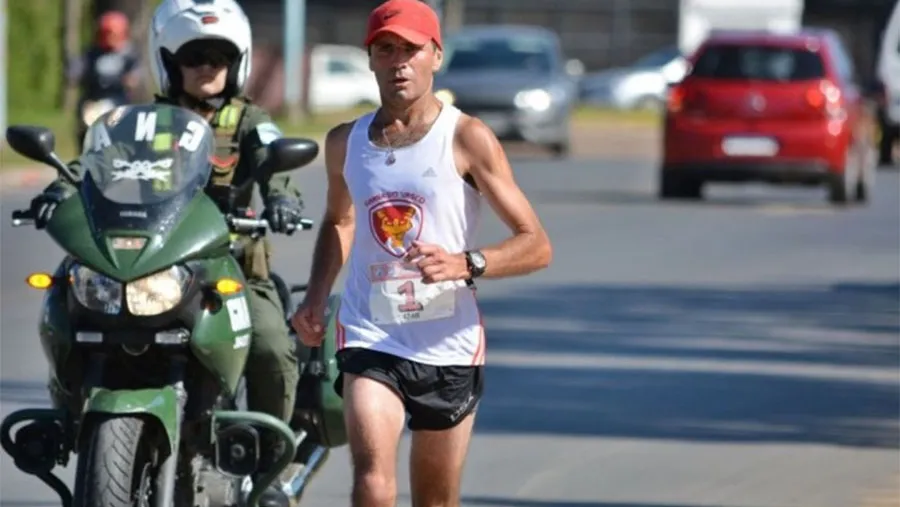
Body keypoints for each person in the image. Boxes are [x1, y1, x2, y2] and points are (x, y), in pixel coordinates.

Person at [30, 1, 304, 505]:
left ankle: (273, 467)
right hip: (150, 265)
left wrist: (283, 198)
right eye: (193, 55)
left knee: (268, 340)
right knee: (68, 303)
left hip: (230, 268)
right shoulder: (141, 120)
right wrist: (59, 190)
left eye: (217, 57)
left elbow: (272, 157)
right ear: (168, 61)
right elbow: (93, 163)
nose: (205, 66)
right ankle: (70, 421)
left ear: (236, 63)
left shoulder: (248, 119)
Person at [289, 0, 553, 505]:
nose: (398, 62)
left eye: (410, 49)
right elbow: (339, 221)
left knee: (434, 498)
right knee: (372, 479)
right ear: (370, 60)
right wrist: (318, 295)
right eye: (385, 49)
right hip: (371, 331)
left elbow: (536, 244)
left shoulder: (466, 137)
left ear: (436, 54)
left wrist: (466, 262)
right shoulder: (346, 142)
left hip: (447, 343)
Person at [68, 11, 141, 150]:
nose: (109, 38)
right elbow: (77, 69)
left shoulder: (128, 54)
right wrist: (74, 74)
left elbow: (135, 76)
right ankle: (84, 154)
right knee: (85, 121)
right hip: (93, 100)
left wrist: (130, 80)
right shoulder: (92, 53)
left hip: (118, 102)